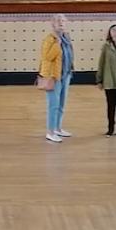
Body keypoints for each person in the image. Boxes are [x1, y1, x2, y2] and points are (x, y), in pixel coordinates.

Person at [38, 14, 76, 142]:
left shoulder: (66, 37)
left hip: (65, 75)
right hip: (53, 76)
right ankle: (50, 131)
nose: (61, 22)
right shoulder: (50, 39)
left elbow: (69, 54)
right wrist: (56, 45)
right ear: (52, 24)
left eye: (63, 20)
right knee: (53, 105)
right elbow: (47, 57)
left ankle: (58, 129)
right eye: (57, 20)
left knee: (61, 104)